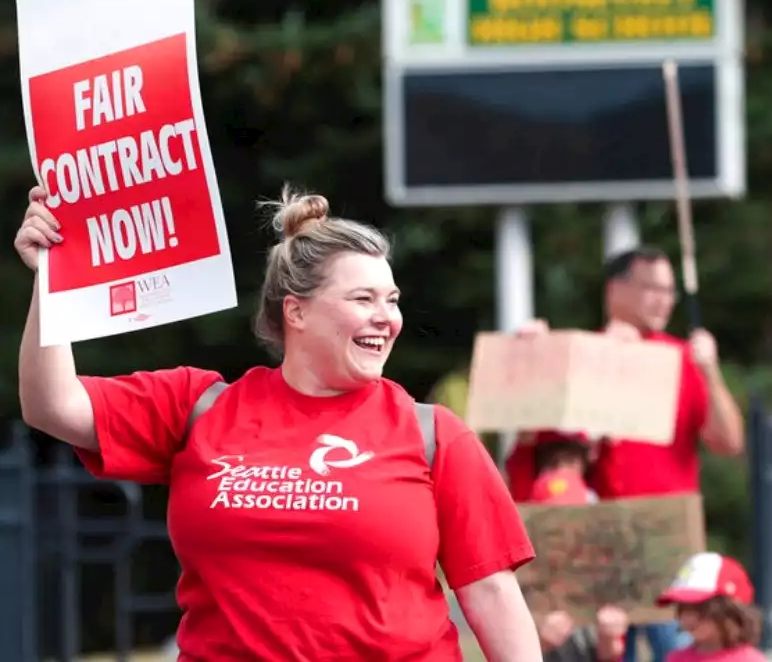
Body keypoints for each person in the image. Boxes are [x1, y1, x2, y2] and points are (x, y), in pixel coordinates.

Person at [14, 184, 541, 661]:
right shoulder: (199, 407)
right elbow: (52, 405)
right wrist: (53, 280)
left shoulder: (433, 433)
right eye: (363, 299)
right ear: (297, 312)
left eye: (392, 300)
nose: (387, 317)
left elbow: (492, 593)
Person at [510, 245, 746, 661]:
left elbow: (728, 443)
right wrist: (534, 358)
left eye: (670, 291)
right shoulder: (580, 358)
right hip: (598, 548)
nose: (663, 300)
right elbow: (533, 445)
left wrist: (710, 370)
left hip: (665, 546)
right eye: (651, 288)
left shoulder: (679, 358)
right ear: (615, 291)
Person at [527, 431, 628, 662]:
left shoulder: (600, 580)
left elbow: (609, 655)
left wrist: (609, 638)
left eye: (574, 522)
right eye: (552, 525)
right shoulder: (518, 587)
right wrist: (539, 642)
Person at [655, 552, 767, 662]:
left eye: (700, 609)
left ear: (732, 612)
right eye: (683, 608)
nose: (689, 618)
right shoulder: (676, 658)